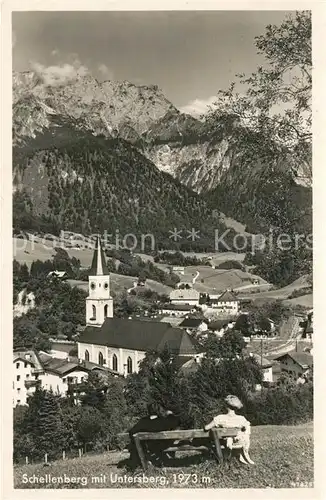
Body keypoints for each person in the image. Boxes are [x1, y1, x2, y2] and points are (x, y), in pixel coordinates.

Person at [204, 395, 254, 465]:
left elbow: (206, 428)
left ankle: (224, 457)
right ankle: (240, 455)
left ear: (226, 406)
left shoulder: (220, 418)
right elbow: (246, 430)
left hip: (226, 442)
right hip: (239, 441)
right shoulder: (242, 419)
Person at [127, 403, 180, 469]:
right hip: (162, 445)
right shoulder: (163, 421)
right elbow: (176, 422)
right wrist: (170, 415)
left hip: (149, 446)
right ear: (159, 410)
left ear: (149, 410)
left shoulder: (143, 421)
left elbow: (132, 431)